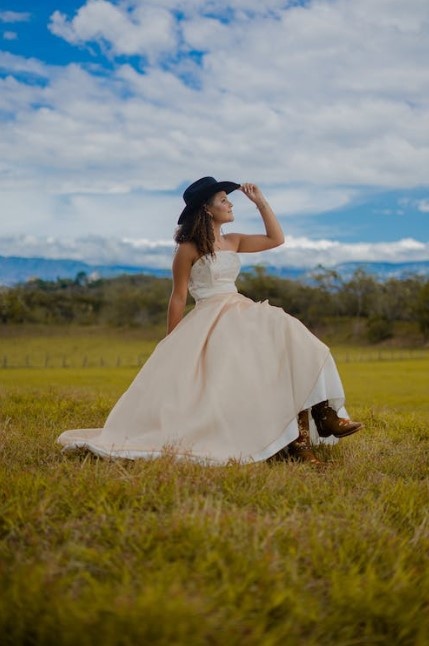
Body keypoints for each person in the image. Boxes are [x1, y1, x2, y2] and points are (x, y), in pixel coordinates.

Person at [57, 177, 362, 466]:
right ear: (207, 208)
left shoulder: (234, 241)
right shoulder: (188, 249)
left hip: (241, 310)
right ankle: (295, 444)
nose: (231, 205)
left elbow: (276, 239)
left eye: (229, 200)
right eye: (224, 200)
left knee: (293, 339)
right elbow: (178, 297)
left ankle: (321, 418)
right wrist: (171, 342)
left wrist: (260, 202)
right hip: (210, 317)